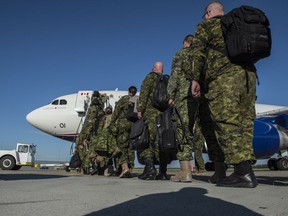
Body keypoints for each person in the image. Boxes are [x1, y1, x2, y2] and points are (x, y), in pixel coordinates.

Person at [190, 1, 258, 188]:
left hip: (224, 78)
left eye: (205, 14)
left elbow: (197, 53)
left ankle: (243, 173)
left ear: (209, 13)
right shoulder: (236, 25)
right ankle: (245, 169)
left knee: (227, 122)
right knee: (244, 123)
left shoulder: (207, 25)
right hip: (248, 77)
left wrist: (195, 78)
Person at [167, 35, 195, 182]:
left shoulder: (181, 54)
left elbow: (175, 75)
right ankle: (220, 170)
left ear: (185, 43)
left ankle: (185, 172)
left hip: (184, 97)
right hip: (202, 97)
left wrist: (170, 94)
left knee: (183, 130)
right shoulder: (203, 54)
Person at [137, 61, 163, 180]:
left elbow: (144, 93)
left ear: (153, 69)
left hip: (151, 114)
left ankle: (150, 168)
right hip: (163, 115)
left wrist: (140, 110)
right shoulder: (166, 80)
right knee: (160, 141)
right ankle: (160, 171)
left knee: (147, 140)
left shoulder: (150, 77)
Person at [109, 86, 138, 178]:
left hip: (123, 125)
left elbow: (116, 111)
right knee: (131, 148)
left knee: (122, 147)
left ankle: (125, 168)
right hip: (134, 126)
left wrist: (112, 123)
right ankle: (131, 169)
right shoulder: (138, 99)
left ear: (128, 91)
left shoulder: (124, 99)